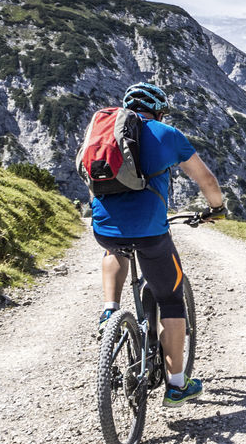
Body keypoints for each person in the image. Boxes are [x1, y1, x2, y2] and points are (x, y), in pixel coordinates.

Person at [92, 82, 225, 407]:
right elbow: (205, 180)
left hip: (105, 228)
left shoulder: (104, 130)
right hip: (151, 233)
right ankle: (177, 385)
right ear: (159, 111)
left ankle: (109, 312)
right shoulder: (167, 134)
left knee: (115, 249)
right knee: (171, 298)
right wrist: (217, 209)